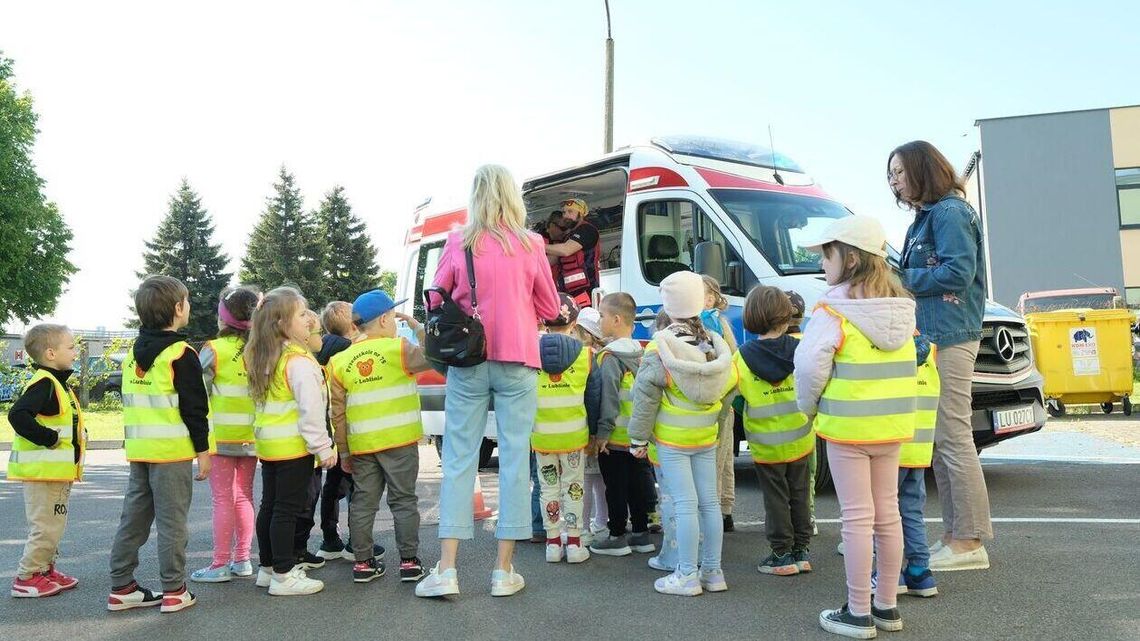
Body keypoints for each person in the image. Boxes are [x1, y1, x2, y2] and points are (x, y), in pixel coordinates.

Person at [415, 164, 561, 598]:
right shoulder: (532, 244)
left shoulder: (459, 241)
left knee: (460, 460)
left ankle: (446, 569)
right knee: (515, 460)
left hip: (469, 359)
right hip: (518, 358)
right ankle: (503, 571)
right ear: (512, 196)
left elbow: (436, 295)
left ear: (475, 196)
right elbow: (550, 307)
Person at [793, 216, 916, 638]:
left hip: (848, 428)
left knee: (856, 519)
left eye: (826, 254)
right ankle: (887, 606)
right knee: (888, 514)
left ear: (848, 258)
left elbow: (809, 368)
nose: (823, 264)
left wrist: (807, 408)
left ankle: (858, 612)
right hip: (892, 427)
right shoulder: (901, 311)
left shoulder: (833, 311)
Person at [890, 140, 992, 571]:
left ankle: (969, 542)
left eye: (899, 171)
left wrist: (899, 276)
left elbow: (957, 272)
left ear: (921, 169)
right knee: (944, 440)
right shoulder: (930, 215)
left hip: (950, 334)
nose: (893, 180)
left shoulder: (949, 213)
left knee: (952, 437)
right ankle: (954, 536)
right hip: (936, 334)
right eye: (890, 174)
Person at [627, 271, 737, 597]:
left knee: (686, 505)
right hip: (705, 434)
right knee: (710, 504)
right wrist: (715, 418)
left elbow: (645, 397)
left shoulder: (661, 348)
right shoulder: (713, 345)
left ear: (668, 305)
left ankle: (687, 575)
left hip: (674, 439)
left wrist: (638, 438)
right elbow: (731, 387)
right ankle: (713, 572)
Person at [108, 275, 211, 613]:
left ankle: (121, 585)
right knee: (172, 523)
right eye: (188, 301)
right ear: (178, 308)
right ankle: (174, 589)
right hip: (172, 454)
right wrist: (203, 452)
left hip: (140, 452)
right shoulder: (181, 354)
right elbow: (195, 409)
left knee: (133, 519)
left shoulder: (130, 357)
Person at [330, 290, 430, 584]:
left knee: (363, 503)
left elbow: (337, 414)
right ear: (385, 318)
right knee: (403, 501)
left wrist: (344, 452)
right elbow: (435, 356)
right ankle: (409, 562)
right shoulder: (399, 349)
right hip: (399, 442)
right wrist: (418, 328)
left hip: (362, 446)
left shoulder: (339, 362)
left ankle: (363, 563)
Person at [245, 288, 338, 597]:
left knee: (270, 506)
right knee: (286, 509)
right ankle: (285, 575)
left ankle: (269, 568)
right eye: (301, 314)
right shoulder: (298, 362)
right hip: (294, 448)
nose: (308, 319)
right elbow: (310, 411)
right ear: (283, 323)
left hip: (271, 446)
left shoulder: (267, 356)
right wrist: (323, 448)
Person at [735, 286, 814, 577]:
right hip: (801, 437)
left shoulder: (741, 357)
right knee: (800, 493)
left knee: (776, 498)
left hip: (766, 443)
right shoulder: (801, 349)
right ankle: (801, 551)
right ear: (786, 317)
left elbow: (735, 397)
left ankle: (781, 554)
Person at [7, 324, 86, 598]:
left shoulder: (56, 383)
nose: (76, 352)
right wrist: (48, 438)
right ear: (51, 353)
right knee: (45, 527)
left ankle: (44, 569)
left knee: (54, 525)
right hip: (43, 473)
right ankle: (27, 575)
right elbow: (18, 416)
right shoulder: (44, 383)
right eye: (71, 347)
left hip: (56, 473)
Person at [190, 286, 261, 584]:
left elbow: (196, 391)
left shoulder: (213, 350)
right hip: (253, 436)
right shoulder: (261, 349)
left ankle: (219, 563)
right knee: (244, 496)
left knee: (222, 499)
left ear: (223, 319)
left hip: (220, 438)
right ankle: (242, 560)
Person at [586, 292, 655, 558]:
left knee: (615, 487)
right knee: (637, 484)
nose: (600, 320)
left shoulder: (609, 357)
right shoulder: (641, 352)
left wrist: (602, 432)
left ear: (616, 319)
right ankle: (641, 533)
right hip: (638, 435)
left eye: (602, 315)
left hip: (614, 436)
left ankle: (617, 536)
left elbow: (608, 398)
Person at [532, 294, 593, 564]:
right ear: (574, 322)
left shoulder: (528, 352)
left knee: (548, 488)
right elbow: (594, 396)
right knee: (574, 486)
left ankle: (553, 543)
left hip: (542, 435)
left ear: (543, 319)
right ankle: (575, 543)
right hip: (574, 435)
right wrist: (596, 433)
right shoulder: (585, 355)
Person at [892, 335, 941, 598]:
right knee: (912, 509)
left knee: (885, 513)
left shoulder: (890, 349)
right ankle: (920, 571)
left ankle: (890, 573)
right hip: (920, 447)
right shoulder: (931, 351)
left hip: (892, 445)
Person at [312, 301, 359, 561]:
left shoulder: (317, 350)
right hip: (345, 428)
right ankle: (356, 542)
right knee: (354, 485)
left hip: (322, 430)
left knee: (330, 485)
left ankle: (330, 539)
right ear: (353, 326)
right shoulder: (350, 352)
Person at [700, 275, 739, 533]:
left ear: (711, 298)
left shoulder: (708, 324)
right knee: (724, 459)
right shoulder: (721, 322)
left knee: (714, 459)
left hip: (714, 401)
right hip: (727, 399)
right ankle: (725, 511)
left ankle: (713, 511)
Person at [574, 305, 608, 545]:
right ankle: (602, 523)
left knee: (584, 481)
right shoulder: (606, 355)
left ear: (583, 333)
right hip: (604, 428)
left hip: (587, 428)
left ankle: (583, 527)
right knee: (600, 481)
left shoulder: (584, 359)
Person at [544, 198, 601, 308]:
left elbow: (566, 250)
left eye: (570, 212)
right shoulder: (568, 237)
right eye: (564, 212)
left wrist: (537, 245)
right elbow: (553, 259)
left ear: (581, 214)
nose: (566, 216)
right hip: (570, 295)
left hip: (588, 293)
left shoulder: (587, 230)